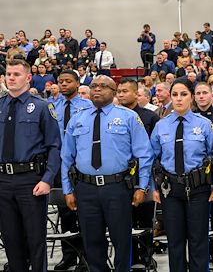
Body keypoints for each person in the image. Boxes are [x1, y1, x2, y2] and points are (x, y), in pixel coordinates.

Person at [60, 75, 154, 272]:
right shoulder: (78, 118)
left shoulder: (128, 117)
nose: (97, 89)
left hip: (117, 188)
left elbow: (144, 154)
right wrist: (68, 190)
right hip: (85, 189)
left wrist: (142, 186)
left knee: (122, 240)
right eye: (94, 86)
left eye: (104, 86)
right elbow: (67, 157)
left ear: (114, 92)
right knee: (92, 242)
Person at [150, 78, 213, 271]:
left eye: (184, 94)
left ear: (192, 97)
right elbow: (150, 157)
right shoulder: (161, 126)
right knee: (175, 240)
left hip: (198, 188)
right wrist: (152, 186)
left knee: (198, 240)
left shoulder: (204, 125)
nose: (179, 99)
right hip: (170, 190)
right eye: (175, 95)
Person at [0, 59, 61, 271]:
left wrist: (47, 179)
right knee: (11, 240)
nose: (11, 78)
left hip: (31, 181)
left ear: (28, 77)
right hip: (3, 181)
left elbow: (54, 146)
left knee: (35, 240)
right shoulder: (0, 105)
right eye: (8, 74)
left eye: (16, 74)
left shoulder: (42, 107)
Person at [116, 78, 159, 267]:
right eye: (119, 91)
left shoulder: (150, 117)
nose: (121, 94)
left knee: (145, 220)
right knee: (125, 222)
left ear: (136, 93)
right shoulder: (114, 116)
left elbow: (155, 149)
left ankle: (147, 256)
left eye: (125, 91)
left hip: (144, 174)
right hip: (121, 176)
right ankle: (130, 258)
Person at [53, 70, 93, 270]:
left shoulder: (87, 106)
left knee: (84, 213)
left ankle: (86, 256)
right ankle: (69, 255)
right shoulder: (53, 107)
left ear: (78, 83)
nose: (64, 84)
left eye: (68, 81)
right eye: (61, 81)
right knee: (65, 213)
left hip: (81, 163)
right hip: (60, 164)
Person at [192, 82, 213, 267]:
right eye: (198, 93)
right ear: (194, 96)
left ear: (212, 96)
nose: (202, 96)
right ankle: (199, 252)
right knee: (197, 219)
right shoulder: (188, 117)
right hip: (195, 176)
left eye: (205, 93)